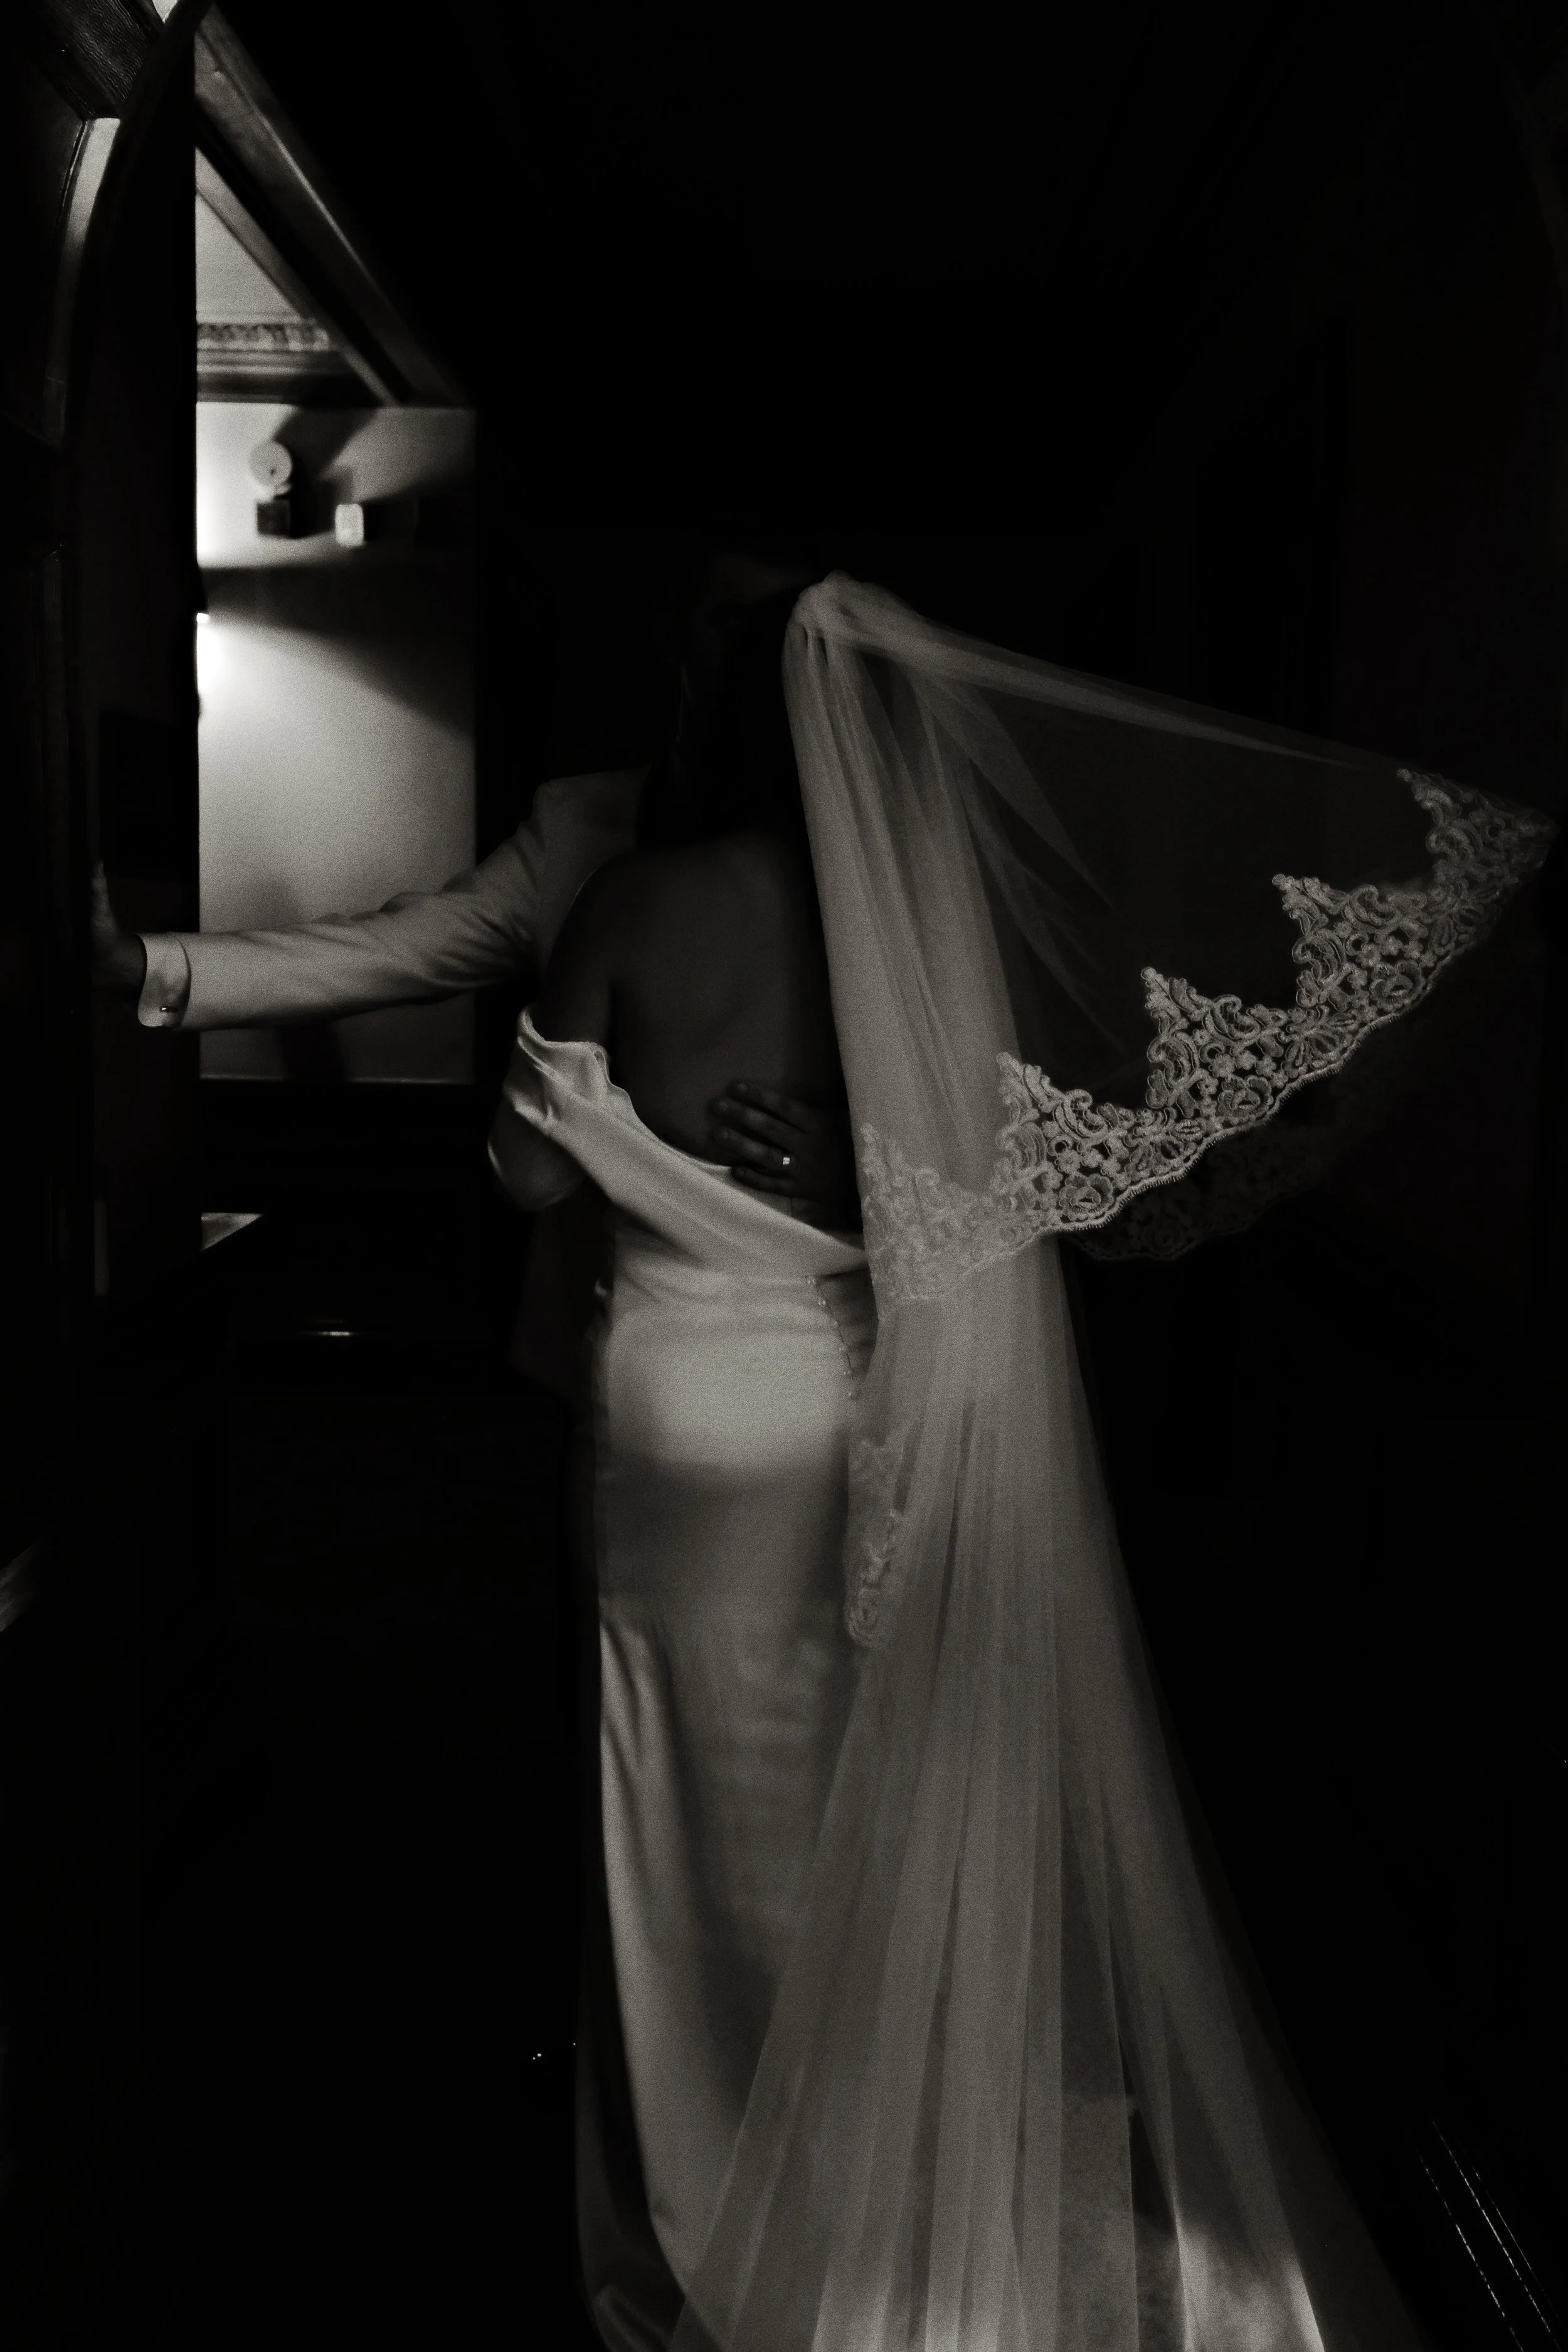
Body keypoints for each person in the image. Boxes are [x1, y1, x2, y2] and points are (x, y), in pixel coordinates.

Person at [490, 563, 1554, 2352]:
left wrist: (623, 1134)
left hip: (674, 1424)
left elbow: (527, 1169)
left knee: (672, 1790)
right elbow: (986, 1185)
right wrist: (854, 1170)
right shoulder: (926, 931)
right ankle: (862, 2185)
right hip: (847, 1403)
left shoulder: (637, 899)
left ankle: (706, 2196)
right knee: (844, 1785)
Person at [89, 542, 861, 1397]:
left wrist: (863, 1170)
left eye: (779, 627)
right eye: (733, 624)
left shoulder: (879, 859)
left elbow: (959, 1091)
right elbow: (397, 948)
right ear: (673, 635)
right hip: (596, 1320)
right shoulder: (581, 825)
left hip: (820, 1337)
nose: (758, 656)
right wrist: (145, 964)